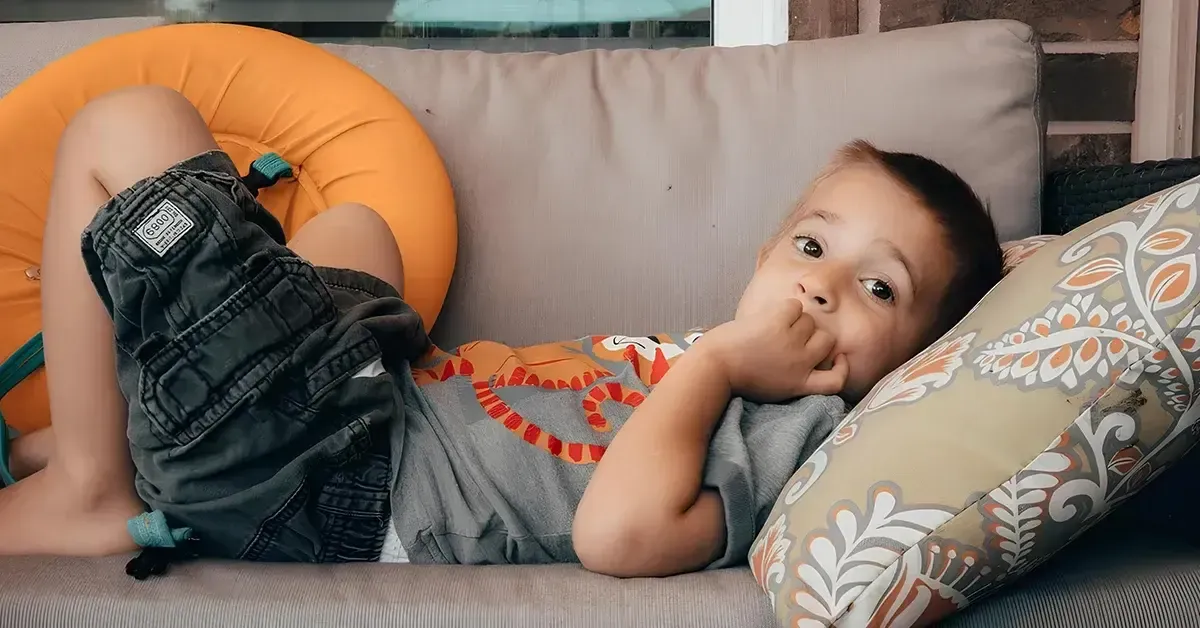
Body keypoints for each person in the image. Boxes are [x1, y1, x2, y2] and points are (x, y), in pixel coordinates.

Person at [0, 85, 1004, 578]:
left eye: (878, 287)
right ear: (764, 252)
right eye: (812, 243)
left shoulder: (793, 435)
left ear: (912, 363)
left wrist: (717, 362)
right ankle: (133, 427)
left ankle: (92, 483)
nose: (821, 287)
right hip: (371, 398)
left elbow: (618, 534)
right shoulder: (733, 364)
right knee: (362, 231)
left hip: (325, 476)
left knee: (124, 126)